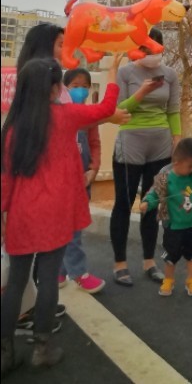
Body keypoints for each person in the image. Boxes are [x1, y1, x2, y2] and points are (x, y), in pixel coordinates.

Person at [1, 55, 121, 376]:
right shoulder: (66, 116)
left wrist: (2, 214)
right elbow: (105, 109)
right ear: (56, 87)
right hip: (54, 213)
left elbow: (6, 177)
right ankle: (42, 349)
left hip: (21, 214)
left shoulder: (13, 126)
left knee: (16, 283)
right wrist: (112, 72)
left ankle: (4, 353)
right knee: (49, 278)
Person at [110, 28, 183, 286]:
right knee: (124, 203)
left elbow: (173, 110)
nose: (151, 53)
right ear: (137, 48)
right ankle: (120, 263)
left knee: (151, 204)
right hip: (131, 142)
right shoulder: (125, 72)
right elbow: (118, 109)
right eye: (146, 47)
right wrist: (141, 92)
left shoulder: (170, 75)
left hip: (160, 144)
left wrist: (176, 139)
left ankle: (149, 261)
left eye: (156, 48)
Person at [139, 138, 192, 298]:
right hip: (173, 227)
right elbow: (154, 194)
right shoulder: (165, 179)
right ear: (177, 163)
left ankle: (191, 280)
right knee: (171, 257)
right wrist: (146, 203)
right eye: (190, 165)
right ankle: (169, 280)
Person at [58, 68, 105, 294]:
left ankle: (58, 272)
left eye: (85, 86)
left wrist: (93, 169)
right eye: (75, 86)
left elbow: (95, 144)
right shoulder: (58, 114)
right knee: (69, 228)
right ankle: (78, 272)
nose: (81, 91)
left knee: (71, 227)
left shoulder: (89, 116)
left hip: (83, 181)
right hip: (62, 182)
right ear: (64, 88)